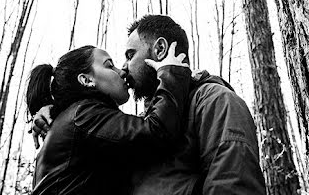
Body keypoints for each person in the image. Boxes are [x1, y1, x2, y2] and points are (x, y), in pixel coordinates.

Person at [32, 15, 267, 194]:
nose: (123, 68)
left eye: (129, 55)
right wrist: (51, 107)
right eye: (112, 64)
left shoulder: (214, 101)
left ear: (160, 50)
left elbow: (233, 184)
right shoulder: (117, 120)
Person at [25, 42, 191, 195]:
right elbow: (157, 130)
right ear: (86, 80)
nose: (122, 71)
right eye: (110, 66)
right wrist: (171, 73)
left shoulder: (80, 116)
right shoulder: (85, 114)